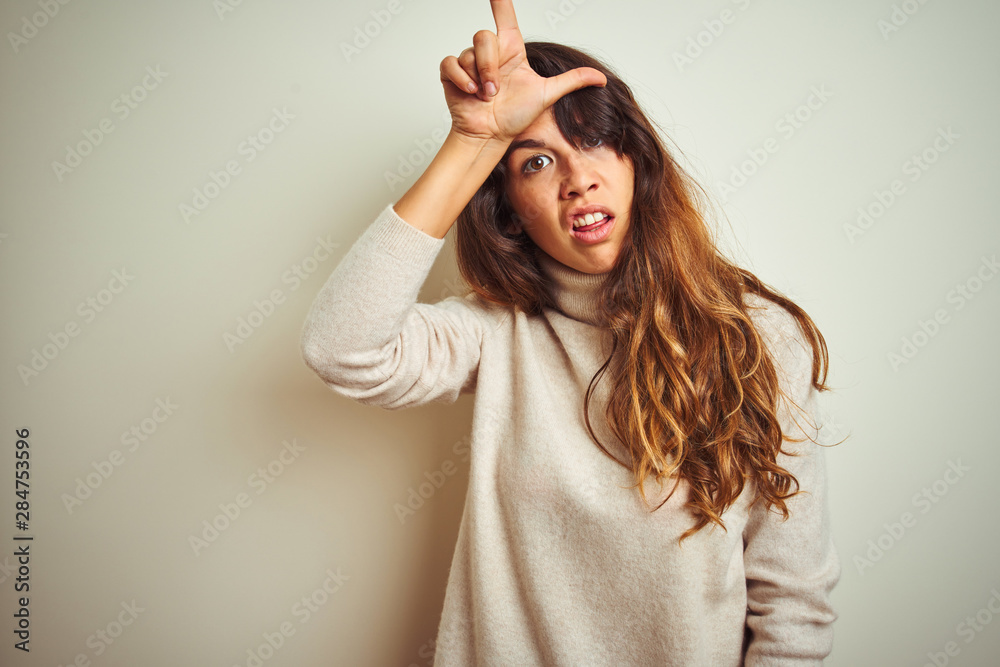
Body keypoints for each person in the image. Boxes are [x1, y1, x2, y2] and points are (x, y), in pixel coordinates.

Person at [300, 0, 842, 664]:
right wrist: (473, 140)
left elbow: (793, 605)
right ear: (509, 210)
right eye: (534, 162)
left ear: (637, 161)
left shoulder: (758, 338)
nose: (577, 179)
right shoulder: (496, 332)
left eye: (592, 140)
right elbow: (341, 347)